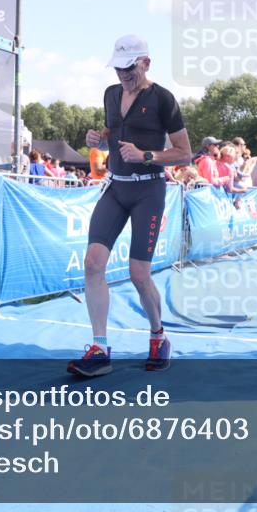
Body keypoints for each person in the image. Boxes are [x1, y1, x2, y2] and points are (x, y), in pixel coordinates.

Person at [68, 34, 192, 378]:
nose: (123, 74)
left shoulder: (164, 99)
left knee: (139, 274)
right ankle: (100, 348)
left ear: (146, 63)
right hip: (115, 188)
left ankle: (158, 336)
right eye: (118, 67)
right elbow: (112, 132)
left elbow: (185, 153)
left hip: (148, 192)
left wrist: (147, 155)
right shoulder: (110, 94)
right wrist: (97, 138)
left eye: (129, 67)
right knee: (93, 264)